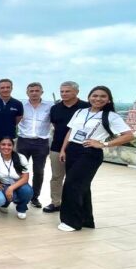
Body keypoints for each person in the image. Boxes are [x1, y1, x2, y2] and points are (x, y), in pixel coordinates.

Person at [58, 86, 134, 232]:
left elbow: (129, 135)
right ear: (89, 97)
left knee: (71, 184)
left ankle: (71, 222)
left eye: (102, 96)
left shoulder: (111, 116)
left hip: (90, 152)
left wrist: (104, 144)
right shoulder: (80, 111)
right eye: (95, 95)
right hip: (73, 149)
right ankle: (86, 219)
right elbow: (71, 131)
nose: (98, 99)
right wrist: (63, 149)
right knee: (83, 187)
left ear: (108, 99)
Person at [43, 81, 89, 214]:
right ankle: (56, 202)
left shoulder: (86, 108)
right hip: (57, 147)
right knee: (56, 176)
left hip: (79, 148)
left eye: (67, 91)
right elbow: (54, 125)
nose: (64, 94)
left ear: (76, 92)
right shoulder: (55, 108)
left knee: (75, 177)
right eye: (62, 91)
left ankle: (73, 203)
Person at [16, 82, 53, 208]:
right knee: (20, 170)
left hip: (41, 143)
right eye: (31, 91)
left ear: (42, 92)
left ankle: (35, 197)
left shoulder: (49, 107)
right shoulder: (21, 106)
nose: (34, 93)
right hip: (23, 141)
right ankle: (20, 196)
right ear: (27, 93)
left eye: (37, 90)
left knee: (39, 171)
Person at [0, 136, 34, 219]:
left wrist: (11, 188)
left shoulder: (21, 157)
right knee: (12, 196)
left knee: (27, 191)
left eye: (9, 145)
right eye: (3, 144)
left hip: (18, 183)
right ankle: (5, 204)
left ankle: (21, 208)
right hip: (3, 184)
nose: (6, 147)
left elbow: (25, 178)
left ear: (13, 146)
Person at [0, 79, 24, 151]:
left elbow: (17, 119)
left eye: (8, 87)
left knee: (9, 161)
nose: (5, 89)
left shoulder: (18, 104)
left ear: (11, 88)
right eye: (2, 88)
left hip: (11, 139)